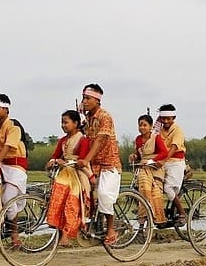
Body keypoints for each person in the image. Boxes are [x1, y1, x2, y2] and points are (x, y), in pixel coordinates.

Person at [78, 84, 123, 246]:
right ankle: (91, 224)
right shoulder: (87, 118)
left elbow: (100, 140)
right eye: (83, 98)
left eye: (88, 98)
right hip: (93, 164)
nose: (84, 101)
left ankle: (111, 229)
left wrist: (86, 159)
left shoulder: (105, 117)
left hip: (109, 164)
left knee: (104, 195)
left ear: (97, 100)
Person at [46, 110, 92, 246]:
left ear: (76, 123)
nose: (63, 125)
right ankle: (60, 233)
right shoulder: (63, 141)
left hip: (79, 173)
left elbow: (83, 159)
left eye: (66, 122)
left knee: (70, 202)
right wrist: (52, 161)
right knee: (57, 198)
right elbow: (56, 155)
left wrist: (64, 162)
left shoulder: (82, 140)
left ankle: (66, 235)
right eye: (62, 123)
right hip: (64, 173)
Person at [0, 93, 28, 246]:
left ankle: (15, 236)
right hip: (3, 166)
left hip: (15, 167)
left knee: (8, 200)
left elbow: (8, 146)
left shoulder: (13, 126)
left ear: (6, 109)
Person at [130, 114, 170, 227]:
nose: (142, 127)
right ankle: (143, 220)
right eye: (140, 125)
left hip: (155, 167)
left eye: (144, 125)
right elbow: (139, 155)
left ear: (151, 126)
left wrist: (151, 160)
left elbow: (164, 153)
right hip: (143, 167)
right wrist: (134, 156)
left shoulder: (156, 138)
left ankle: (155, 219)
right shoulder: (138, 139)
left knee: (154, 191)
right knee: (143, 191)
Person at [156, 104, 189, 228]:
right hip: (162, 161)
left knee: (168, 189)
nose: (165, 121)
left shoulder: (177, 130)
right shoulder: (158, 129)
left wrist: (164, 159)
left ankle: (182, 213)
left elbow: (174, 147)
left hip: (175, 162)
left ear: (173, 117)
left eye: (168, 119)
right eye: (163, 119)